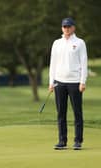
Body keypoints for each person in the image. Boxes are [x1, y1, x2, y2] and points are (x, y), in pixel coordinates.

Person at [49, 17, 88, 150]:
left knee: (77, 112)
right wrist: (51, 82)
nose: (66, 29)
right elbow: (52, 64)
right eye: (64, 27)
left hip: (75, 82)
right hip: (59, 82)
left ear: (73, 28)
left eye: (68, 26)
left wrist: (83, 81)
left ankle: (78, 141)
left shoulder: (80, 43)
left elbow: (84, 63)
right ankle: (62, 141)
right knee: (61, 113)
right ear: (62, 28)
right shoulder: (56, 43)